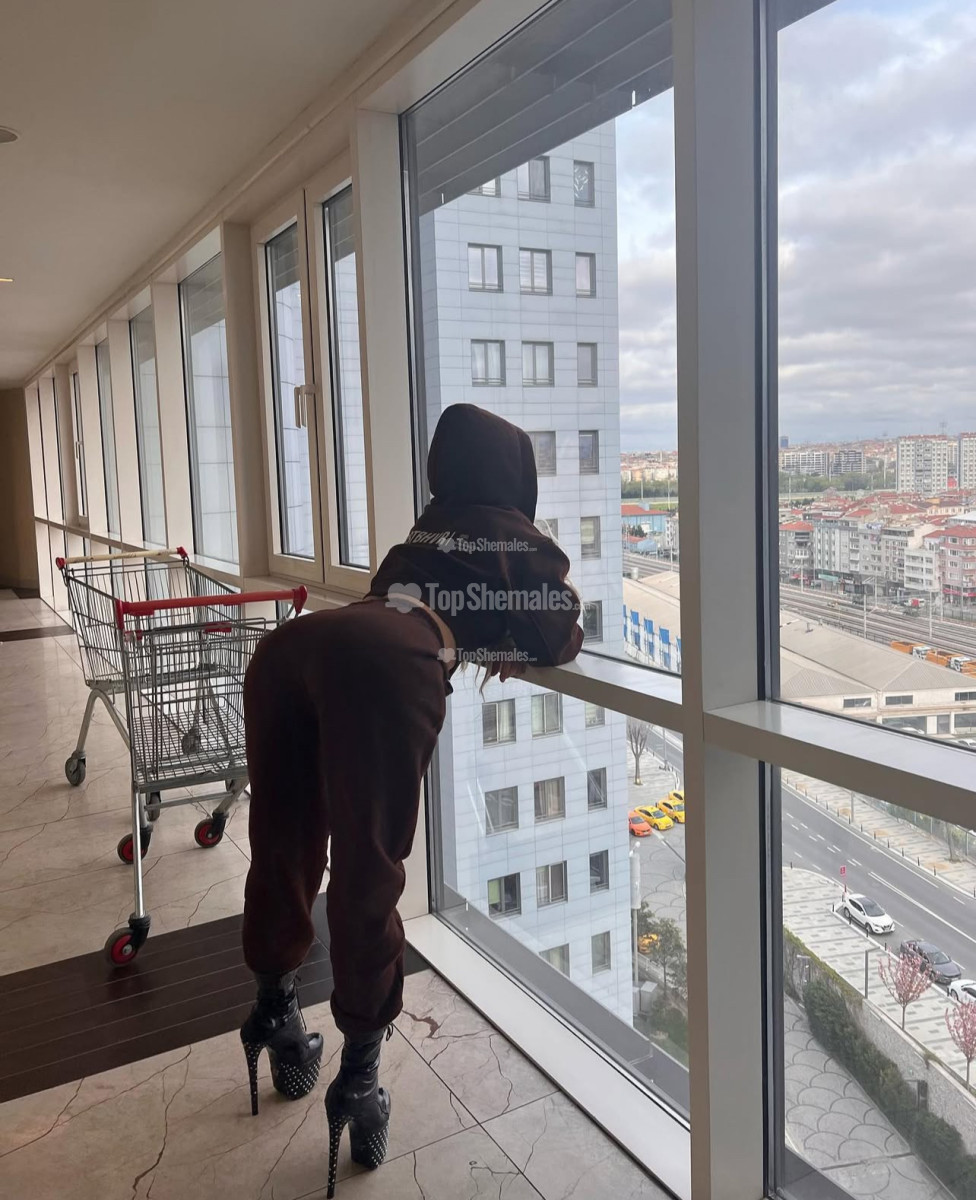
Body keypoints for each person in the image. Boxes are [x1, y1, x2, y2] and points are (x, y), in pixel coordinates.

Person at [238, 403, 583, 1196]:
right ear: (515, 474)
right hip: (387, 664)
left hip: (291, 647)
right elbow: (560, 632)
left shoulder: (421, 535)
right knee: (369, 868)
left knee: (283, 841)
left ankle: (275, 1013)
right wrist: (504, 636)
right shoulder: (514, 536)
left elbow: (398, 602)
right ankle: (359, 1078)